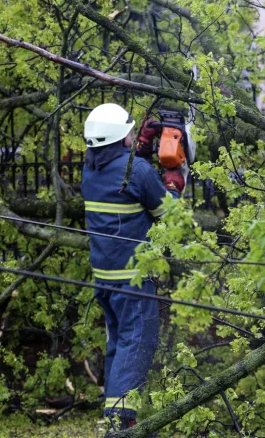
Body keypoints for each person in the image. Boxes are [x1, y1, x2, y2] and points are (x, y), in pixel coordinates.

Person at [81, 103, 185, 431]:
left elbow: (124, 177)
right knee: (137, 345)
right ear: (120, 137)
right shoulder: (137, 171)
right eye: (129, 132)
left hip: (106, 280)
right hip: (133, 281)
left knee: (120, 345)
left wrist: (141, 146)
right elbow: (170, 215)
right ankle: (123, 427)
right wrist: (174, 184)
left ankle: (116, 420)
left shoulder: (90, 170)